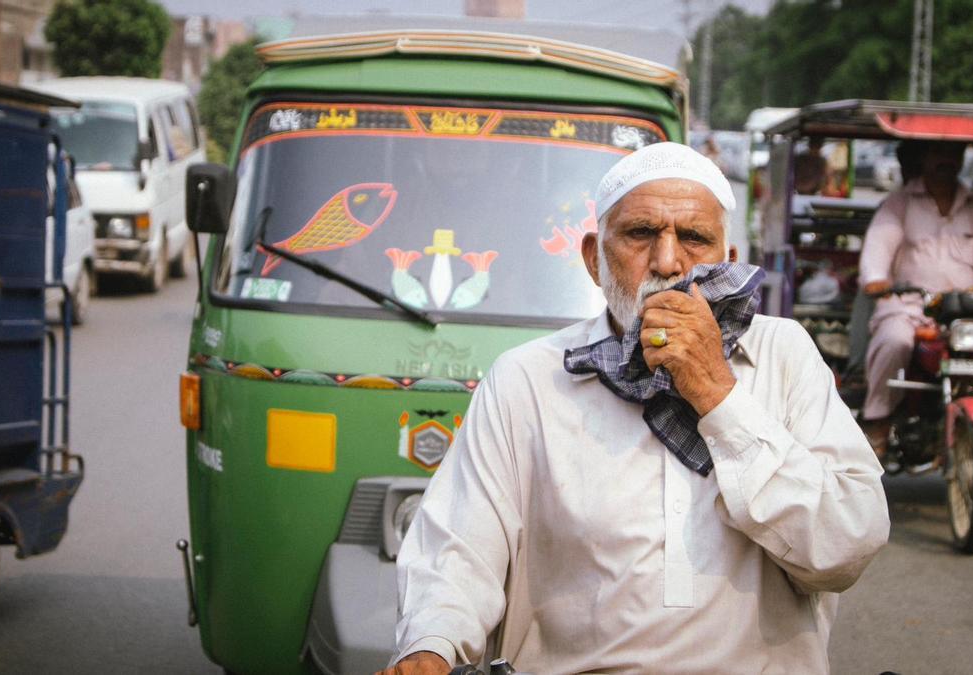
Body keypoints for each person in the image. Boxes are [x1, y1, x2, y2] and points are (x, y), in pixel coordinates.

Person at [381, 142, 889, 675]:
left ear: (728, 261)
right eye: (640, 234)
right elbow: (458, 549)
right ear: (593, 259)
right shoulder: (528, 379)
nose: (668, 262)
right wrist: (430, 647)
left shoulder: (783, 354)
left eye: (694, 238)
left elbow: (846, 547)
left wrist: (718, 393)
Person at [857, 141, 973, 458]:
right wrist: (876, 278)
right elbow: (879, 242)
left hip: (970, 310)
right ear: (925, 157)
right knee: (893, 341)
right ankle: (879, 421)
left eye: (952, 154)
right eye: (938, 153)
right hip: (910, 307)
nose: (946, 160)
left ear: (960, 160)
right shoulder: (899, 204)